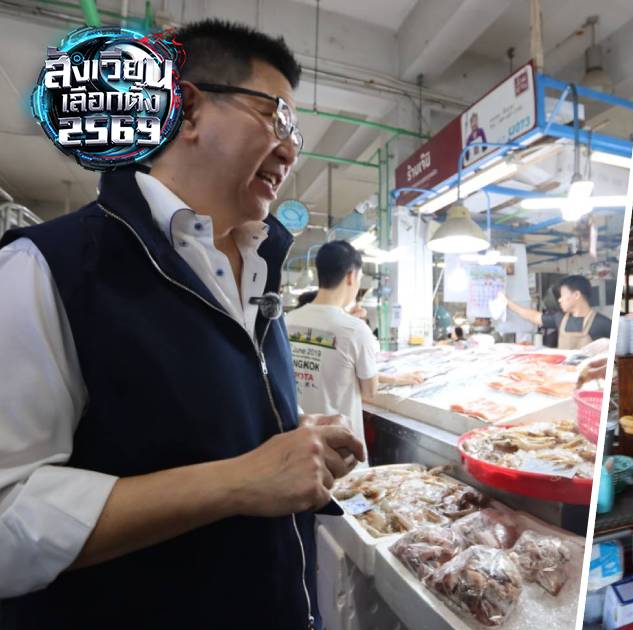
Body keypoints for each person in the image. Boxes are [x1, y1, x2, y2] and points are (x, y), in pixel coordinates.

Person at [0, 20, 364, 628]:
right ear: (187, 108)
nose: (292, 148)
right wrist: (239, 480)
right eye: (277, 117)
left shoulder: (257, 268)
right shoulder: (47, 269)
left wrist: (283, 426)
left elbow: (184, 420)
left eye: (294, 129)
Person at [286, 241, 422, 462]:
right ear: (351, 276)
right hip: (341, 452)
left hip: (298, 447)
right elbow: (369, 390)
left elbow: (335, 370)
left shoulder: (287, 322)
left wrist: (395, 378)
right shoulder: (355, 329)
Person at [503, 275, 611, 350]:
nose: (559, 300)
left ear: (577, 295)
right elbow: (534, 317)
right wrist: (508, 303)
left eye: (562, 295)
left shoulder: (603, 324)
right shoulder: (560, 318)